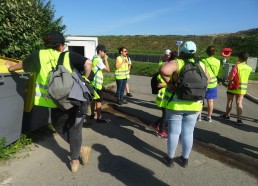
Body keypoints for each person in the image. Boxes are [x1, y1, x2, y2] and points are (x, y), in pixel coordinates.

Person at [5, 31, 92, 173]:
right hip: (75, 99)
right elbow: (88, 63)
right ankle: (75, 160)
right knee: (75, 128)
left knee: (59, 126)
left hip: (56, 102)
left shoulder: (38, 55)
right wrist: (85, 80)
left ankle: (80, 151)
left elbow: (22, 65)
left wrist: (10, 67)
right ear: (61, 45)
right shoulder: (68, 55)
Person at [160, 41, 209, 168]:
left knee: (174, 132)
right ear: (195, 52)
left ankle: (169, 159)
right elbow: (207, 80)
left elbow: (164, 70)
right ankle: (184, 159)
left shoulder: (178, 62)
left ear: (182, 51)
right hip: (194, 104)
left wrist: (170, 84)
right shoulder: (201, 65)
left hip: (177, 104)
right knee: (188, 132)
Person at [151, 50, 178, 139]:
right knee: (166, 115)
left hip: (167, 96)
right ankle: (161, 131)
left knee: (166, 114)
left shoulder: (169, 71)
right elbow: (159, 84)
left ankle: (155, 124)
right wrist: (171, 83)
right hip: (163, 97)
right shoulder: (163, 72)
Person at [220, 51, 252, 125]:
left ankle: (227, 115)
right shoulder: (249, 68)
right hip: (242, 89)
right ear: (247, 59)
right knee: (239, 103)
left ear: (239, 58)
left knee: (229, 101)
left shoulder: (236, 66)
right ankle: (239, 119)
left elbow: (230, 77)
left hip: (233, 87)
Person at [90, 44, 111, 123]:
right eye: (104, 51)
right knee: (98, 101)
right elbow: (108, 70)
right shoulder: (98, 60)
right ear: (100, 51)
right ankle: (98, 118)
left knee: (93, 100)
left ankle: (92, 114)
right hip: (96, 85)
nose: (105, 53)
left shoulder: (94, 58)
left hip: (93, 83)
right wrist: (106, 60)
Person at [200, 46, 221, 122]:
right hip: (213, 83)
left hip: (204, 82)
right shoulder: (218, 61)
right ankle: (209, 116)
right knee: (210, 101)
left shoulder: (203, 60)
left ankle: (199, 116)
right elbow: (217, 72)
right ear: (215, 52)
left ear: (207, 52)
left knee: (201, 100)